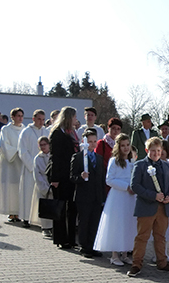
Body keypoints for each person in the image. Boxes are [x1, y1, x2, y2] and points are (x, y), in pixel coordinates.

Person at [127, 136, 169, 277]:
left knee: (160, 236)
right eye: (153, 151)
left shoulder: (167, 166)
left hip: (163, 208)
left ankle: (162, 263)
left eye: (159, 150)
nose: (156, 154)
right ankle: (136, 264)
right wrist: (153, 195)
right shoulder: (140, 165)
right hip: (146, 207)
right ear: (147, 150)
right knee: (142, 236)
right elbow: (135, 185)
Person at [94, 133, 135, 266]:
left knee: (128, 224)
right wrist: (125, 186)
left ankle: (125, 253)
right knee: (117, 223)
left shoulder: (131, 161)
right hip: (118, 196)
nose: (126, 148)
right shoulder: (114, 161)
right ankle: (114, 255)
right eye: (123, 146)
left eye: (127, 145)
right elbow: (109, 180)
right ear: (118, 147)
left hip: (130, 197)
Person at [70, 128, 106, 258]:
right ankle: (84, 246)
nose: (92, 144)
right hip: (84, 196)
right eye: (90, 141)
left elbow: (102, 179)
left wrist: (103, 197)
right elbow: (72, 177)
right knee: (84, 221)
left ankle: (93, 245)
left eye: (94, 141)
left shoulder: (99, 158)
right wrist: (80, 176)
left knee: (95, 221)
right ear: (84, 141)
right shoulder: (78, 157)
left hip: (96, 196)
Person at [48, 106, 80, 249]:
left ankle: (71, 238)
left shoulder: (72, 133)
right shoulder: (57, 133)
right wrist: (54, 178)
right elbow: (55, 158)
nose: (76, 119)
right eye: (74, 117)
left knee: (71, 208)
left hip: (71, 175)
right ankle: (61, 238)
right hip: (60, 176)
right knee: (60, 208)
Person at [18, 110, 47, 227]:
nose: (41, 122)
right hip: (30, 168)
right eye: (39, 119)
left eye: (43, 119)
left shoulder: (46, 131)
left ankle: (41, 219)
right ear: (34, 119)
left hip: (44, 168)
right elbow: (23, 151)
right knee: (28, 193)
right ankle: (26, 217)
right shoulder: (26, 132)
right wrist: (33, 166)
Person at [0, 108, 25, 222]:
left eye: (22, 116)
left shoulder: (25, 129)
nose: (20, 118)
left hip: (22, 162)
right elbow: (3, 145)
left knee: (19, 187)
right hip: (10, 162)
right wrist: (17, 151)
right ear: (12, 117)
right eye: (18, 116)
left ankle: (20, 212)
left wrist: (24, 153)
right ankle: (11, 213)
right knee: (10, 187)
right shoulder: (6, 129)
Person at [30, 136, 53, 238]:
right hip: (42, 185)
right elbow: (37, 174)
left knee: (53, 207)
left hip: (52, 184)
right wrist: (45, 187)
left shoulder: (53, 156)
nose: (43, 147)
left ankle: (53, 227)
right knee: (44, 206)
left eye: (45, 144)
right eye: (41, 145)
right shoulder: (37, 158)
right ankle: (45, 228)